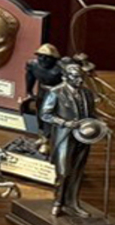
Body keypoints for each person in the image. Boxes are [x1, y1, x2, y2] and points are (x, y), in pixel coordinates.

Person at [39, 60, 100, 216]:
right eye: (75, 77)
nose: (80, 80)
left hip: (84, 138)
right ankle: (58, 202)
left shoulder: (87, 93)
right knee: (63, 171)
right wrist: (65, 123)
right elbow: (45, 114)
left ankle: (72, 203)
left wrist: (101, 125)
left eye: (81, 77)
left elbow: (92, 114)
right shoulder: (56, 92)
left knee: (77, 171)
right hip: (64, 137)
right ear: (65, 77)